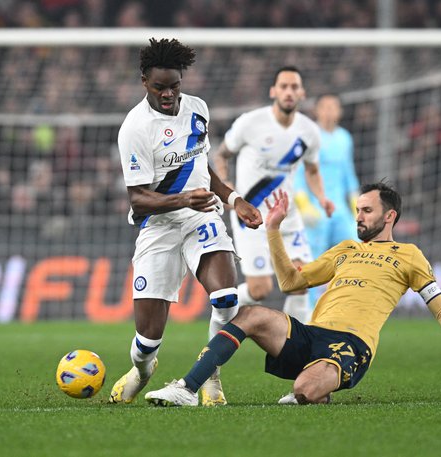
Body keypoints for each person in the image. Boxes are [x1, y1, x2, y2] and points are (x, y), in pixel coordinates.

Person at [144, 183, 441, 406]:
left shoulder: (409, 256)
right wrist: (274, 231)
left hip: (351, 344)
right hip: (310, 335)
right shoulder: (346, 249)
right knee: (251, 313)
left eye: (367, 211)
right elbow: (290, 283)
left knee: (303, 391)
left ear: (390, 216)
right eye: (358, 211)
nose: (359, 217)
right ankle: (187, 389)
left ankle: (317, 388)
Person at [109, 38, 262, 407]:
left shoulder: (197, 109)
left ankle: (209, 374)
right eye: (160, 87)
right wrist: (182, 199)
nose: (168, 94)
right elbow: (138, 198)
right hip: (157, 227)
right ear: (144, 81)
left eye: (174, 86)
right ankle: (142, 372)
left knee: (226, 299)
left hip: (201, 217)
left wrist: (234, 198)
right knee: (147, 340)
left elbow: (200, 166)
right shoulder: (135, 127)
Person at [213, 66, 335, 323]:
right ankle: (223, 306)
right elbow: (222, 155)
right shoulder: (250, 122)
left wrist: (322, 198)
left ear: (302, 93)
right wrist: (227, 189)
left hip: (286, 216)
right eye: (284, 86)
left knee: (301, 280)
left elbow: (312, 171)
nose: (289, 92)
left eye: (294, 87)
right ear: (273, 91)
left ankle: (291, 344)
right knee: (260, 290)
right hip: (252, 216)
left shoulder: (309, 132)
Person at [293, 94, 360, 313]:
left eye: (334, 107)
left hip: (340, 209)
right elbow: (299, 173)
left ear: (340, 111)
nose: (330, 111)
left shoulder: (345, 138)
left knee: (355, 252)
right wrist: (304, 205)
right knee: (314, 260)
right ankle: (311, 309)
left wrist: (356, 208)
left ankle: (348, 303)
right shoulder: (308, 135)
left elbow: (348, 174)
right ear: (317, 110)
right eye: (325, 107)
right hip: (316, 209)